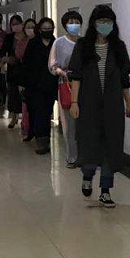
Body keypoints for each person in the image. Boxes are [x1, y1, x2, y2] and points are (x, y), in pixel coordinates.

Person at [67, 5, 130, 207]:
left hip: (113, 105)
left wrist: (128, 103)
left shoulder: (118, 47)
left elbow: (124, 79)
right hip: (88, 104)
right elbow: (76, 77)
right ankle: (87, 176)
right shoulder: (83, 46)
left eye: (108, 21)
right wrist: (74, 102)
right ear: (94, 23)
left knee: (110, 147)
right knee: (89, 143)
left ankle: (105, 190)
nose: (105, 25)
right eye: (101, 21)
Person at [50, 10, 83, 168]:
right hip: (66, 85)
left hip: (84, 86)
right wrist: (61, 72)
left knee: (84, 123)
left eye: (77, 22)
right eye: (71, 22)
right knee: (70, 124)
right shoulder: (59, 43)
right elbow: (52, 65)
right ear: (65, 25)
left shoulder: (84, 42)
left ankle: (85, 155)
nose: (74, 25)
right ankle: (72, 157)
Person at [22, 16, 58, 155]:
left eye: (50, 28)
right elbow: (26, 63)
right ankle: (40, 141)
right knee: (38, 112)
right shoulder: (33, 43)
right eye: (44, 28)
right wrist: (25, 83)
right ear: (40, 29)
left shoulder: (55, 43)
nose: (47, 30)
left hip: (50, 84)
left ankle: (45, 139)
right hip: (35, 85)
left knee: (47, 112)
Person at [2, 15, 28, 131]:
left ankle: (25, 119)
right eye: (13, 24)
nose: (16, 26)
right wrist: (5, 59)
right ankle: (14, 117)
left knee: (24, 94)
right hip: (13, 68)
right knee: (13, 94)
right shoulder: (9, 37)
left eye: (18, 23)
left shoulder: (27, 37)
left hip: (25, 68)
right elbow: (2, 52)